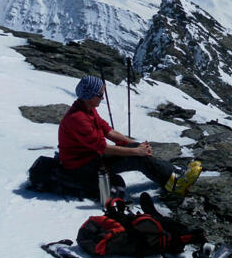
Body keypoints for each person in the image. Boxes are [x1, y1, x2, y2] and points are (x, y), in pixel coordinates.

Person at [58, 75, 201, 197]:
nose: (103, 98)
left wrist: (135, 145)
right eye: (100, 95)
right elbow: (103, 148)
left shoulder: (87, 109)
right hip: (83, 166)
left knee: (135, 149)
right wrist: (136, 151)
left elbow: (109, 132)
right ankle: (175, 185)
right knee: (138, 159)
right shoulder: (78, 118)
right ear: (89, 96)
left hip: (91, 157)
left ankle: (172, 173)